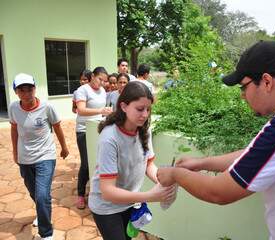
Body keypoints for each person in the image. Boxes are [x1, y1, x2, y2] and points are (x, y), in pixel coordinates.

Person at [157, 41, 275, 239]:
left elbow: (218, 192)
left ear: (267, 82)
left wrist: (175, 174)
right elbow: (254, 154)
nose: (243, 96)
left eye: (244, 87)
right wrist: (202, 163)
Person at [88, 81, 176, 240]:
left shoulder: (144, 129)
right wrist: (150, 195)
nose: (145, 115)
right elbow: (108, 192)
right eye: (140, 109)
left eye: (148, 109)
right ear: (123, 106)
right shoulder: (110, 138)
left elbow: (148, 164)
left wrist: (163, 181)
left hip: (130, 203)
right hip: (106, 208)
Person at [9, 73, 69, 240]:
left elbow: (57, 127)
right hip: (25, 158)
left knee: (42, 195)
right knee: (34, 192)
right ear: (16, 92)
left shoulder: (47, 107)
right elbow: (14, 130)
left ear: (35, 89)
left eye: (30, 89)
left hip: (45, 155)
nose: (27, 93)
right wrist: (15, 153)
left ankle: (46, 234)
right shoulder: (14, 108)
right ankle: (41, 212)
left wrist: (64, 147)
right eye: (22, 90)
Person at [74, 66, 113, 209]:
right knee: (86, 163)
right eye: (100, 79)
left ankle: (94, 191)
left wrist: (106, 113)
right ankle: (80, 194)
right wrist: (101, 111)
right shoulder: (82, 90)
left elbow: (100, 112)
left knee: (97, 162)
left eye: (104, 80)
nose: (102, 83)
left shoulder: (102, 91)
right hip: (84, 130)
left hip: (97, 130)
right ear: (92, 77)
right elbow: (81, 110)